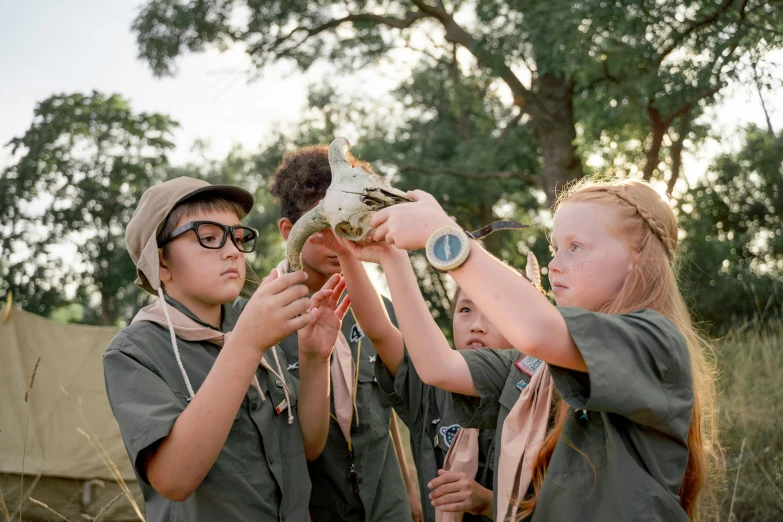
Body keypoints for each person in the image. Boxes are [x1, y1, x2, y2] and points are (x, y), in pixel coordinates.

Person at [360, 179, 718, 521]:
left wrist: (444, 236)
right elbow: (439, 366)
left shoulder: (655, 342)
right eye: (554, 249)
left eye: (575, 247)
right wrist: (391, 258)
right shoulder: (538, 367)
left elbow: (536, 329)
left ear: (636, 257)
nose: (554, 265)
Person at [104, 177, 349, 521]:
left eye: (238, 236)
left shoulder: (253, 322)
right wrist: (247, 344)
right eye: (208, 238)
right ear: (160, 263)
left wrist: (314, 359)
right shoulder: (135, 352)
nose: (233, 250)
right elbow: (173, 480)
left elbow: (307, 448)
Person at [237, 147, 420, 522]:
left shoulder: (380, 312)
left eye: (350, 221)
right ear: (291, 230)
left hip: (388, 508)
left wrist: (411, 496)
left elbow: (404, 400)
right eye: (325, 226)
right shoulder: (256, 322)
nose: (338, 237)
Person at [323, 230, 544, 522]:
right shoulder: (430, 383)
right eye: (465, 309)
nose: (476, 325)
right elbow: (380, 331)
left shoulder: (541, 393)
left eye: (493, 310)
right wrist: (345, 253)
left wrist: (487, 503)